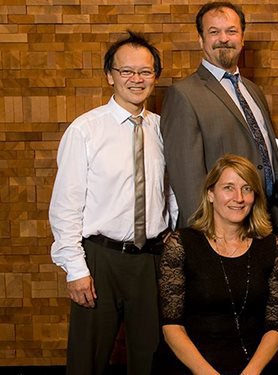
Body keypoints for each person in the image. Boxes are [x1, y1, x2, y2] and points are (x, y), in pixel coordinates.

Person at [49, 31, 177, 374]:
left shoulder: (163, 129)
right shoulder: (86, 130)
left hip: (151, 259)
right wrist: (76, 270)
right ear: (110, 76)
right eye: (127, 71)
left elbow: (170, 193)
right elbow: (66, 205)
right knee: (87, 359)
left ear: (155, 77)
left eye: (146, 72)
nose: (137, 79)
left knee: (149, 357)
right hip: (100, 259)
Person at [160, 1, 278, 250]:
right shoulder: (183, 95)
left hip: (268, 225)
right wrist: (204, 246)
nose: (224, 38)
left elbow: (265, 154)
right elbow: (188, 185)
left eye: (231, 31)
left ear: (242, 38)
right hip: (224, 238)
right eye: (214, 32)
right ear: (201, 40)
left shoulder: (253, 90)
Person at [159, 154, 278, 375]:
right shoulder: (182, 244)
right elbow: (172, 325)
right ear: (210, 194)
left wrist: (252, 372)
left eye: (247, 189)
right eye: (228, 187)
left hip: (252, 366)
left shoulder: (271, 246)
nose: (238, 197)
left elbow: (275, 326)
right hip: (193, 366)